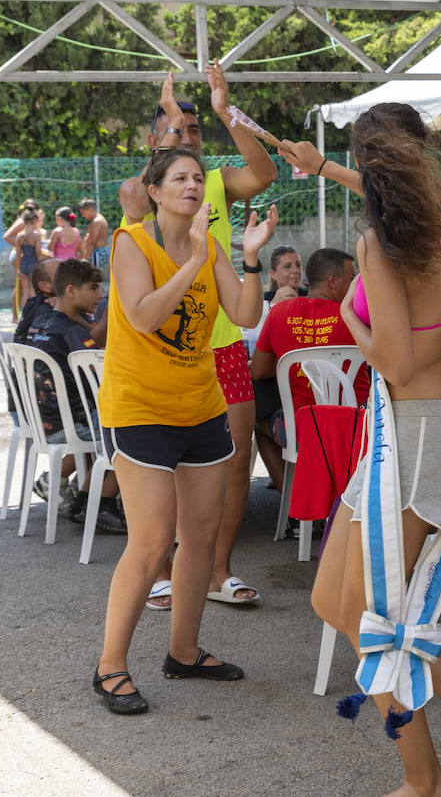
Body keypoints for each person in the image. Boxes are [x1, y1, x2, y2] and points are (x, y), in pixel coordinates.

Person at [280, 103, 441, 795]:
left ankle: (423, 779)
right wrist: (325, 168)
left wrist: (347, 318)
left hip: (410, 436)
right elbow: (388, 195)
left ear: (369, 160)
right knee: (332, 600)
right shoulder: (435, 226)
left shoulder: (379, 244)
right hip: (410, 433)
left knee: (373, 621)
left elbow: (397, 361)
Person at [92, 146, 277, 715]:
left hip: (201, 407)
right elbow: (143, 316)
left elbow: (245, 315)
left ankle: (184, 652)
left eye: (198, 177)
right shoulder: (131, 242)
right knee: (152, 543)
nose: (193, 185)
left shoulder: (210, 245)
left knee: (200, 536)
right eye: (179, 178)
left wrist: (250, 259)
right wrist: (195, 263)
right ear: (155, 191)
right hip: (140, 409)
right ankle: (110, 667)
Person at [124, 67, 278, 610]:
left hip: (223, 342)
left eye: (194, 131)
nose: (187, 137)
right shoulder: (142, 192)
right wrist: (171, 124)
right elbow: (137, 196)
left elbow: (265, 172)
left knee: (235, 461)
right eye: (175, 130)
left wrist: (223, 112)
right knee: (163, 467)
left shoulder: (215, 181)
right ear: (156, 142)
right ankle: (162, 570)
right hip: (166, 350)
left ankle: (218, 571)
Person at [250, 247, 366, 495]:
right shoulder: (355, 317)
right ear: (333, 282)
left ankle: (294, 500)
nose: (357, 286)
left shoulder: (279, 313)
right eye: (352, 279)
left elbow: (258, 371)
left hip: (302, 431)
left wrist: (295, 362)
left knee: (259, 423)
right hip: (357, 430)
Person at [25, 258, 124, 532]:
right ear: (71, 291)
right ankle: (101, 504)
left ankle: (83, 503)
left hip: (43, 421)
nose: (100, 294)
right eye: (93, 288)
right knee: (131, 430)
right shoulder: (71, 331)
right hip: (70, 424)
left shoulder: (44, 321)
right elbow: (100, 369)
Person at [7, 209, 49, 310]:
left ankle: (25, 314)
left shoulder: (19, 235)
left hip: (24, 264)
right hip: (33, 264)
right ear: (34, 221)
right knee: (32, 291)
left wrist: (18, 269)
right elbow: (38, 254)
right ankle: (33, 313)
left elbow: (18, 254)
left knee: (25, 292)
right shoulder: (36, 235)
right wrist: (43, 265)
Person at [78, 199, 111, 273]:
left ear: (90, 210)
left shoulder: (96, 222)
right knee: (95, 274)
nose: (83, 216)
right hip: (99, 252)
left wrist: (85, 259)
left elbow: (92, 242)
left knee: (94, 274)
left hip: (97, 253)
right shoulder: (98, 218)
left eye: (83, 213)